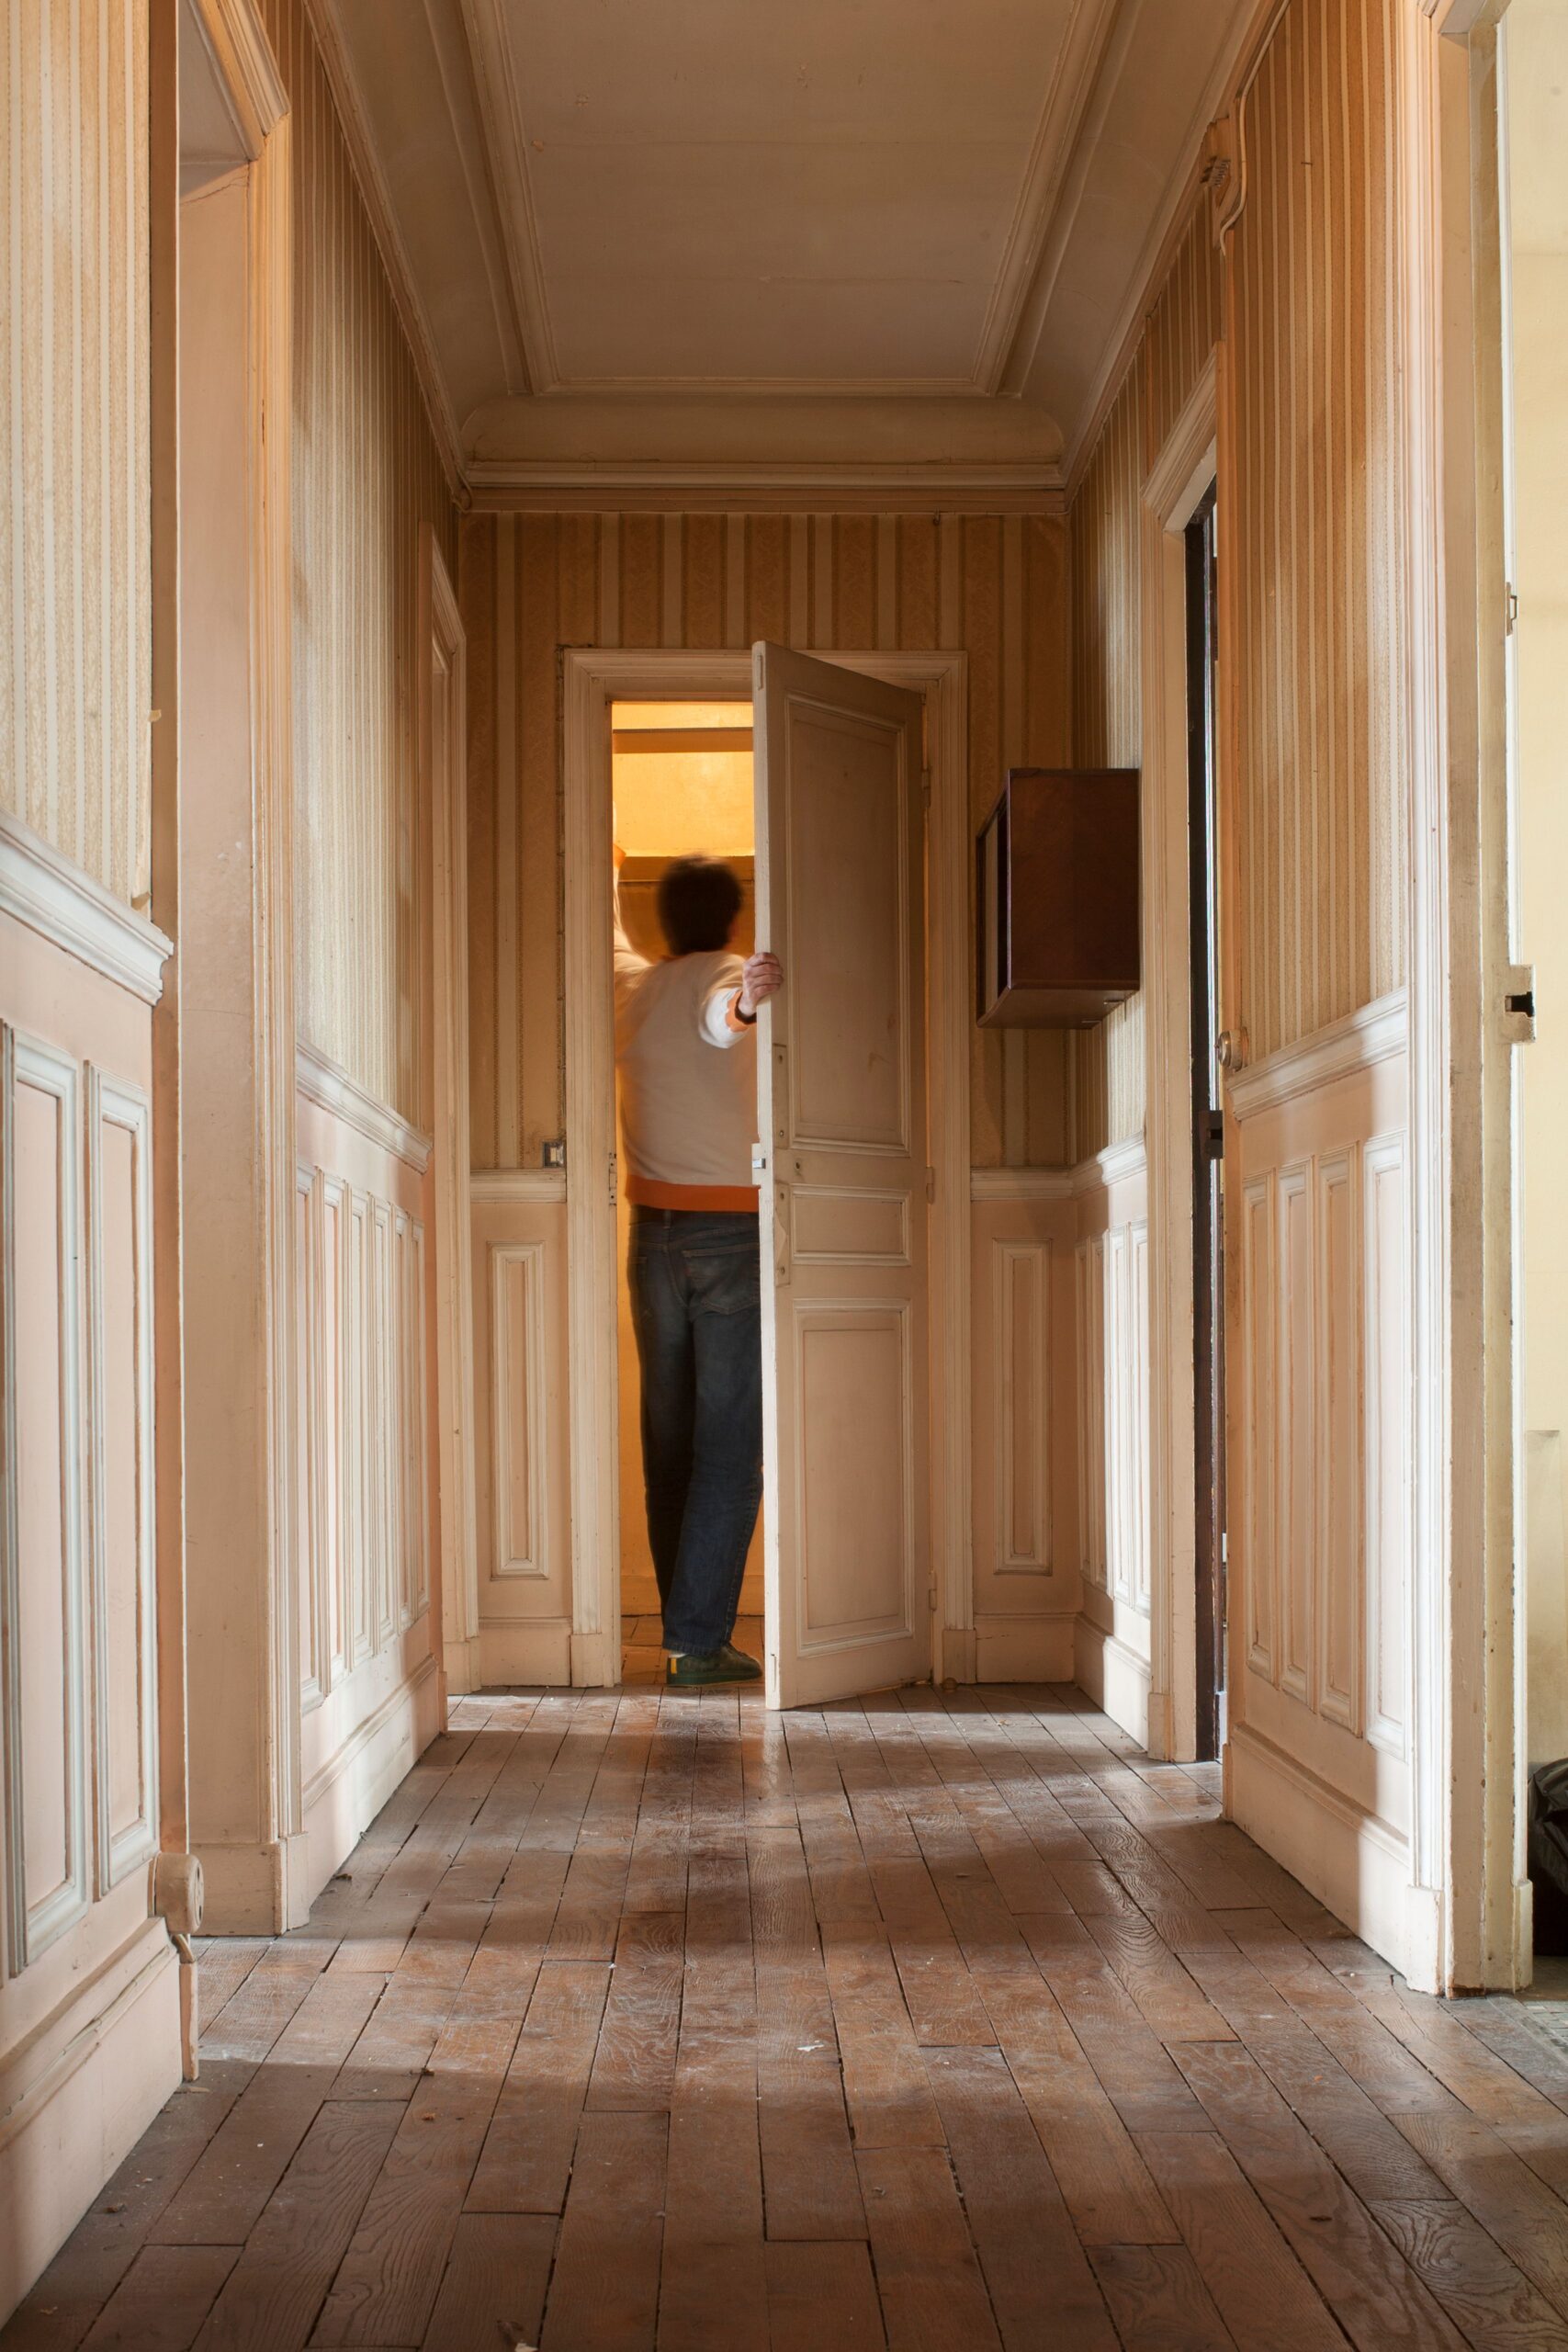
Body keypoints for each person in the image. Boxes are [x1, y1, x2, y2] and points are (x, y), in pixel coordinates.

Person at [614, 845, 784, 1688]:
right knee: (726, 1446)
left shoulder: (632, 986)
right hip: (731, 1236)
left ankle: (685, 1635)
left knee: (668, 1443)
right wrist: (749, 1003)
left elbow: (605, 937)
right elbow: (724, 1016)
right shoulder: (727, 975)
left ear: (660, 919)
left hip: (651, 1235)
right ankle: (694, 1641)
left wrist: (604, 864)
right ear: (733, 916)